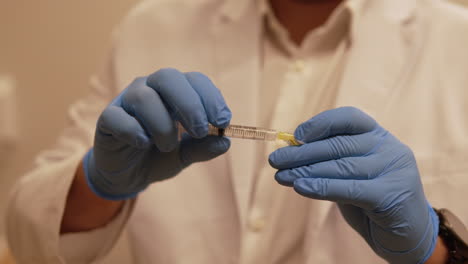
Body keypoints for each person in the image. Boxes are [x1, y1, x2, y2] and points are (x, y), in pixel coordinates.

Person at [6, 0, 468, 263]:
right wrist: (100, 184)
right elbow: (29, 231)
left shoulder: (456, 44)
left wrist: (435, 249)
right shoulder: (150, 28)